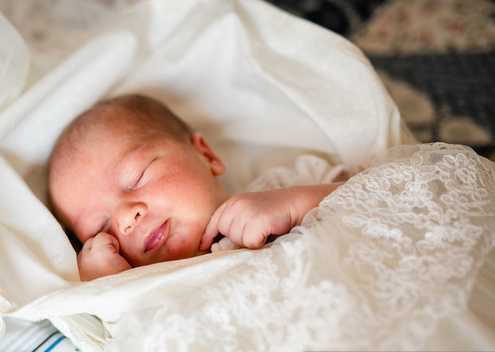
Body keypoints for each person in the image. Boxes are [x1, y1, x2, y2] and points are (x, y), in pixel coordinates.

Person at [48, 94, 343, 281]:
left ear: (207, 155)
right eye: (100, 228)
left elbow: (379, 196)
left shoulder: (283, 187)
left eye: (138, 176)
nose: (125, 219)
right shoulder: (150, 291)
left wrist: (293, 204)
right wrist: (110, 287)